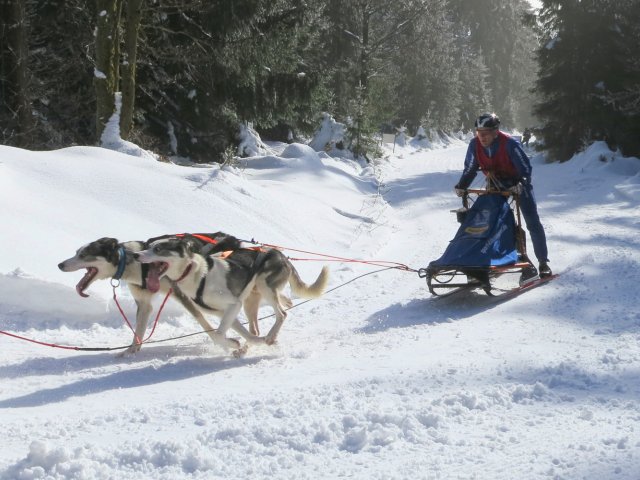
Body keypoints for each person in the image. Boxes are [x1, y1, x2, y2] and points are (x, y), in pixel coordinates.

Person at [454, 113, 552, 278]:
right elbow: (470, 168)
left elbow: (526, 170)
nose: (481, 137)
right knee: (488, 221)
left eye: (485, 133)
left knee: (532, 221)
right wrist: (462, 186)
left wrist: (521, 184)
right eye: (478, 132)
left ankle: (543, 262)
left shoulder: (510, 144)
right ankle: (489, 260)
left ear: (495, 132)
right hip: (495, 183)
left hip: (518, 183)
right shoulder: (474, 145)